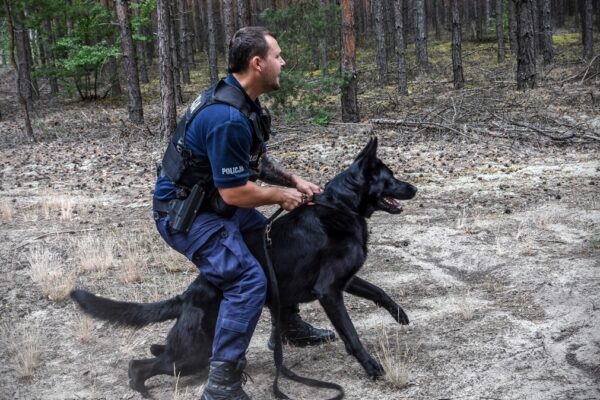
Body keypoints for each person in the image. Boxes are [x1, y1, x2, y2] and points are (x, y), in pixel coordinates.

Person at [153, 26, 335, 400]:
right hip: (187, 215)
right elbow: (235, 191)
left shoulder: (241, 102)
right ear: (257, 63)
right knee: (246, 280)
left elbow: (253, 159)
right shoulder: (225, 117)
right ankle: (221, 386)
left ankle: (288, 324)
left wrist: (292, 179)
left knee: (274, 246)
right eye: (278, 56)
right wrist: (280, 196)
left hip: (213, 203)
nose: (283, 62)